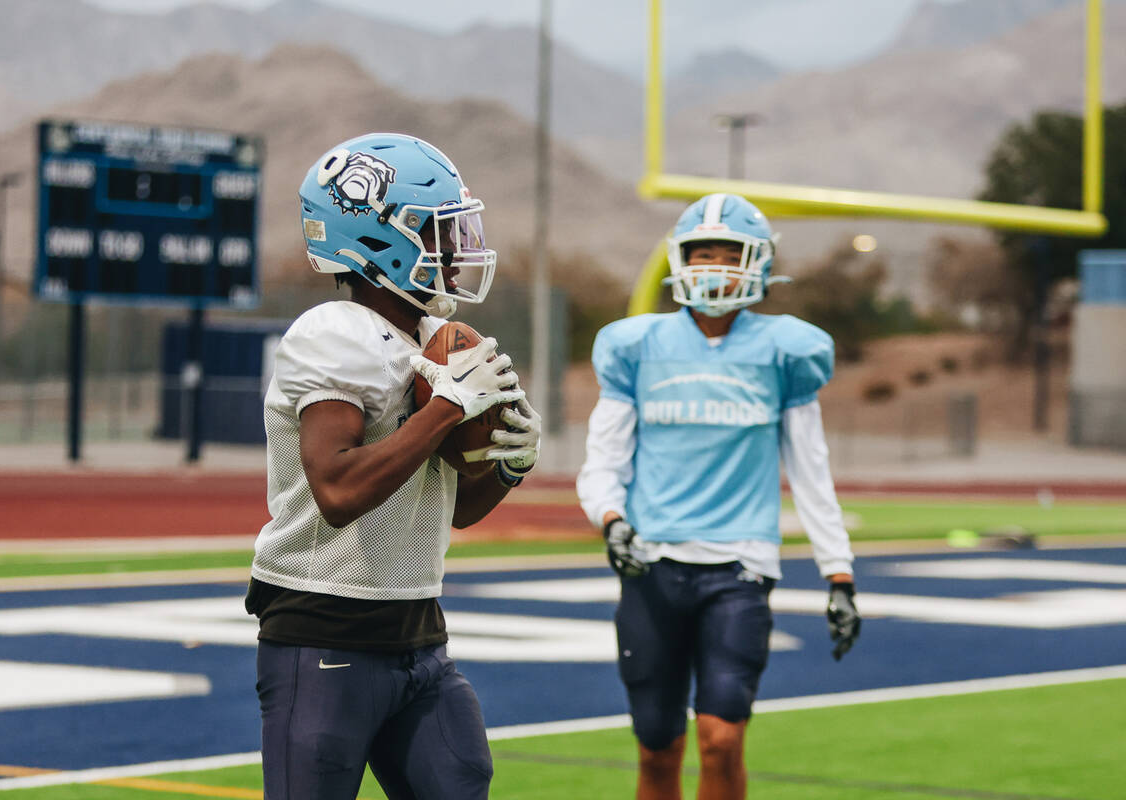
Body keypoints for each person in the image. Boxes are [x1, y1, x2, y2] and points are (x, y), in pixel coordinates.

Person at [246, 132, 542, 800]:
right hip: (324, 631)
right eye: (438, 233)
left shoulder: (429, 344)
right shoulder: (336, 333)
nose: (457, 249)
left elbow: (457, 507)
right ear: (377, 239)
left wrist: (509, 466)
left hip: (419, 635)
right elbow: (338, 489)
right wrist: (446, 410)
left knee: (463, 782)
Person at [576, 193, 860, 800]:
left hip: (740, 566)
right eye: (701, 253)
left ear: (756, 264)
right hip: (653, 564)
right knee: (656, 747)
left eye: (727, 254)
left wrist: (838, 573)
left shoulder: (787, 350)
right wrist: (612, 521)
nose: (712, 266)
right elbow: (603, 460)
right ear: (678, 260)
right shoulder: (637, 346)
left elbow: (811, 472)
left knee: (721, 740)